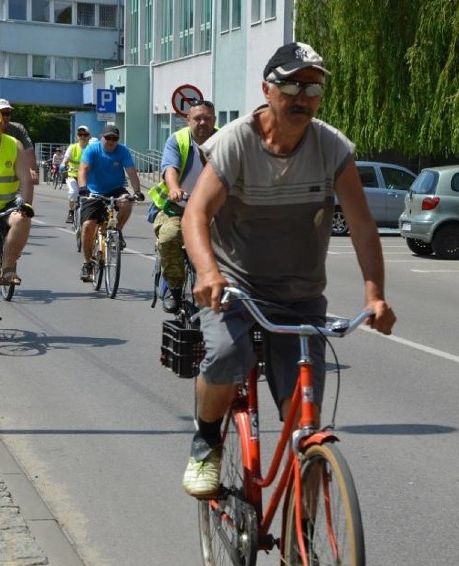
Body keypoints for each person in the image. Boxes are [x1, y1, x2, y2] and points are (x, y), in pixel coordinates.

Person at [180, 42, 396, 498]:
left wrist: (374, 294)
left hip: (299, 294)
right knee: (224, 356)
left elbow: (360, 223)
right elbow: (194, 215)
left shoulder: (332, 147)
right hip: (234, 286)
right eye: (292, 85)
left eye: (313, 87)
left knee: (307, 423)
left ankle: (304, 543)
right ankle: (205, 442)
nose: (303, 97)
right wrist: (207, 272)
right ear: (267, 89)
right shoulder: (237, 141)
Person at [150, 99, 217, 313]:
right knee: (169, 237)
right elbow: (170, 168)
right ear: (188, 120)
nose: (202, 123)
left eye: (207, 118)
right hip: (177, 207)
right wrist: (174, 188)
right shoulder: (177, 139)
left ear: (214, 120)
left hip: (213, 209)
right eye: (197, 118)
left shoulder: (224, 139)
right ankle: (174, 288)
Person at [77, 124, 144, 282]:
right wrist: (82, 188)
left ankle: (117, 231)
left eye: (114, 138)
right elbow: (83, 169)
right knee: (88, 226)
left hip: (115, 189)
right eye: (108, 138)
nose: (111, 141)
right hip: (94, 191)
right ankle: (87, 264)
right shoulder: (92, 149)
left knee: (127, 202)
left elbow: (131, 172)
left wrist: (138, 191)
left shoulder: (122, 150)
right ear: (102, 137)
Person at [0, 106, 35, 285]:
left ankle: (8, 269)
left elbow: (25, 179)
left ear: (2, 125)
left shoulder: (14, 145)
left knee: (22, 219)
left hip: (6, 206)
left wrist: (26, 204)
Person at [0, 98, 38, 184]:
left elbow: (29, 150)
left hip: (11, 184)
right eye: (1, 113)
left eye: (7, 114)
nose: (5, 117)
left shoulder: (18, 129)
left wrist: (31, 170)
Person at [61, 125, 94, 223]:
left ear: (89, 136)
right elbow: (66, 159)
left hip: (87, 177)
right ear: (77, 136)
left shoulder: (92, 148)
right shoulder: (72, 147)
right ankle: (71, 212)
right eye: (80, 134)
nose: (82, 137)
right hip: (73, 175)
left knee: (92, 196)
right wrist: (63, 164)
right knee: (73, 192)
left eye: (85, 134)